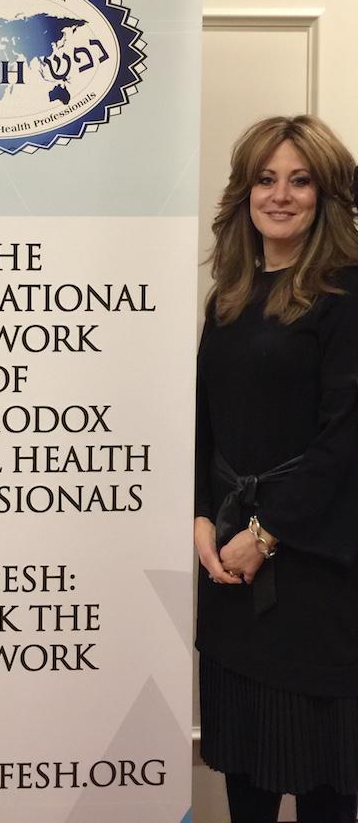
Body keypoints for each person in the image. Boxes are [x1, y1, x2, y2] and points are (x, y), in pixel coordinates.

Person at [195, 115, 358, 823]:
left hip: (318, 582)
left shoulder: (346, 297)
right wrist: (203, 513)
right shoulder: (229, 296)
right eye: (266, 178)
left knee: (325, 792)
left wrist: (264, 534)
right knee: (247, 784)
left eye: (300, 180)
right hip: (231, 578)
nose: (281, 194)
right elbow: (205, 420)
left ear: (325, 196)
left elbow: (344, 442)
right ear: (245, 191)